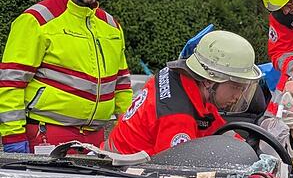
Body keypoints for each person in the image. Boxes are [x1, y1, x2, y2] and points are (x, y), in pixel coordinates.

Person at [0, 0, 131, 152]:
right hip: (47, 137)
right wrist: (13, 136)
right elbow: (11, 83)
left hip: (97, 141)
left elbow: (123, 86)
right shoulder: (37, 21)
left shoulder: (111, 25)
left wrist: (129, 128)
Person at [105, 30, 261, 155]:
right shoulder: (178, 117)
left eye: (243, 88)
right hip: (124, 176)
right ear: (209, 80)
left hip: (122, 160)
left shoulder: (182, 82)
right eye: (235, 87)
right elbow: (176, 173)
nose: (238, 96)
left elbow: (215, 126)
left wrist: (248, 151)